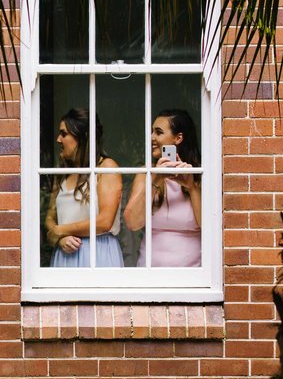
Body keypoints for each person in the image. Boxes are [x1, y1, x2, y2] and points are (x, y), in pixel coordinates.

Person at [43, 108, 124, 267]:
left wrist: (61, 231)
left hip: (98, 251)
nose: (58, 140)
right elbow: (50, 218)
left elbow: (105, 221)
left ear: (82, 137)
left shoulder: (106, 167)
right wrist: (61, 238)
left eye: (64, 134)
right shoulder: (62, 173)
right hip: (66, 253)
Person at [123, 108, 202, 267]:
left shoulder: (199, 173)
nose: (152, 137)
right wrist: (156, 178)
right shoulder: (146, 173)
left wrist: (192, 187)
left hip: (193, 275)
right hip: (151, 274)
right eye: (152, 132)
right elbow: (132, 222)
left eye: (158, 132)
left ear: (178, 138)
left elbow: (211, 228)